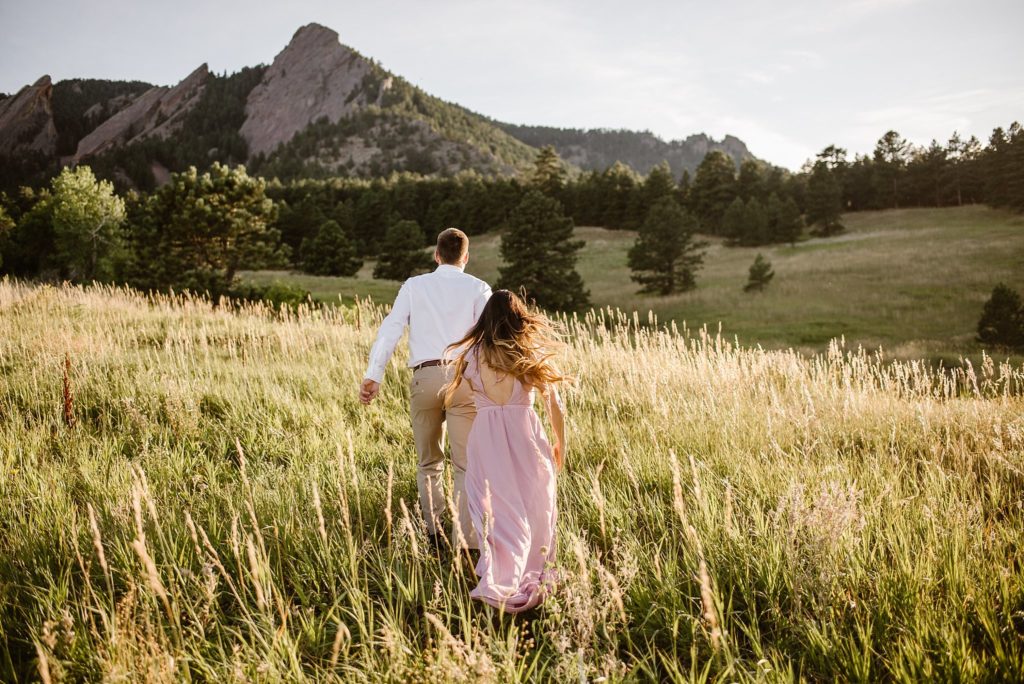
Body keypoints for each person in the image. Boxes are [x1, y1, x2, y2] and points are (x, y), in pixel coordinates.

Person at [359, 227, 491, 551]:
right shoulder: (479, 288)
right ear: (466, 257)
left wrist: (373, 374)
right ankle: (468, 542)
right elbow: (490, 339)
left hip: (425, 377)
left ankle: (434, 533)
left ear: (436, 255)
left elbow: (391, 328)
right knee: (465, 464)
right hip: (464, 379)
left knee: (429, 461)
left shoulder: (414, 286)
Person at [444, 290, 568, 613]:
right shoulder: (526, 355)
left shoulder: (470, 357)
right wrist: (560, 442)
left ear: (485, 320)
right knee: (535, 508)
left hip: (486, 442)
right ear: (518, 319)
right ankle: (528, 575)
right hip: (525, 438)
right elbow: (555, 405)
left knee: (498, 514)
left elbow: (457, 398)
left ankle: (502, 576)